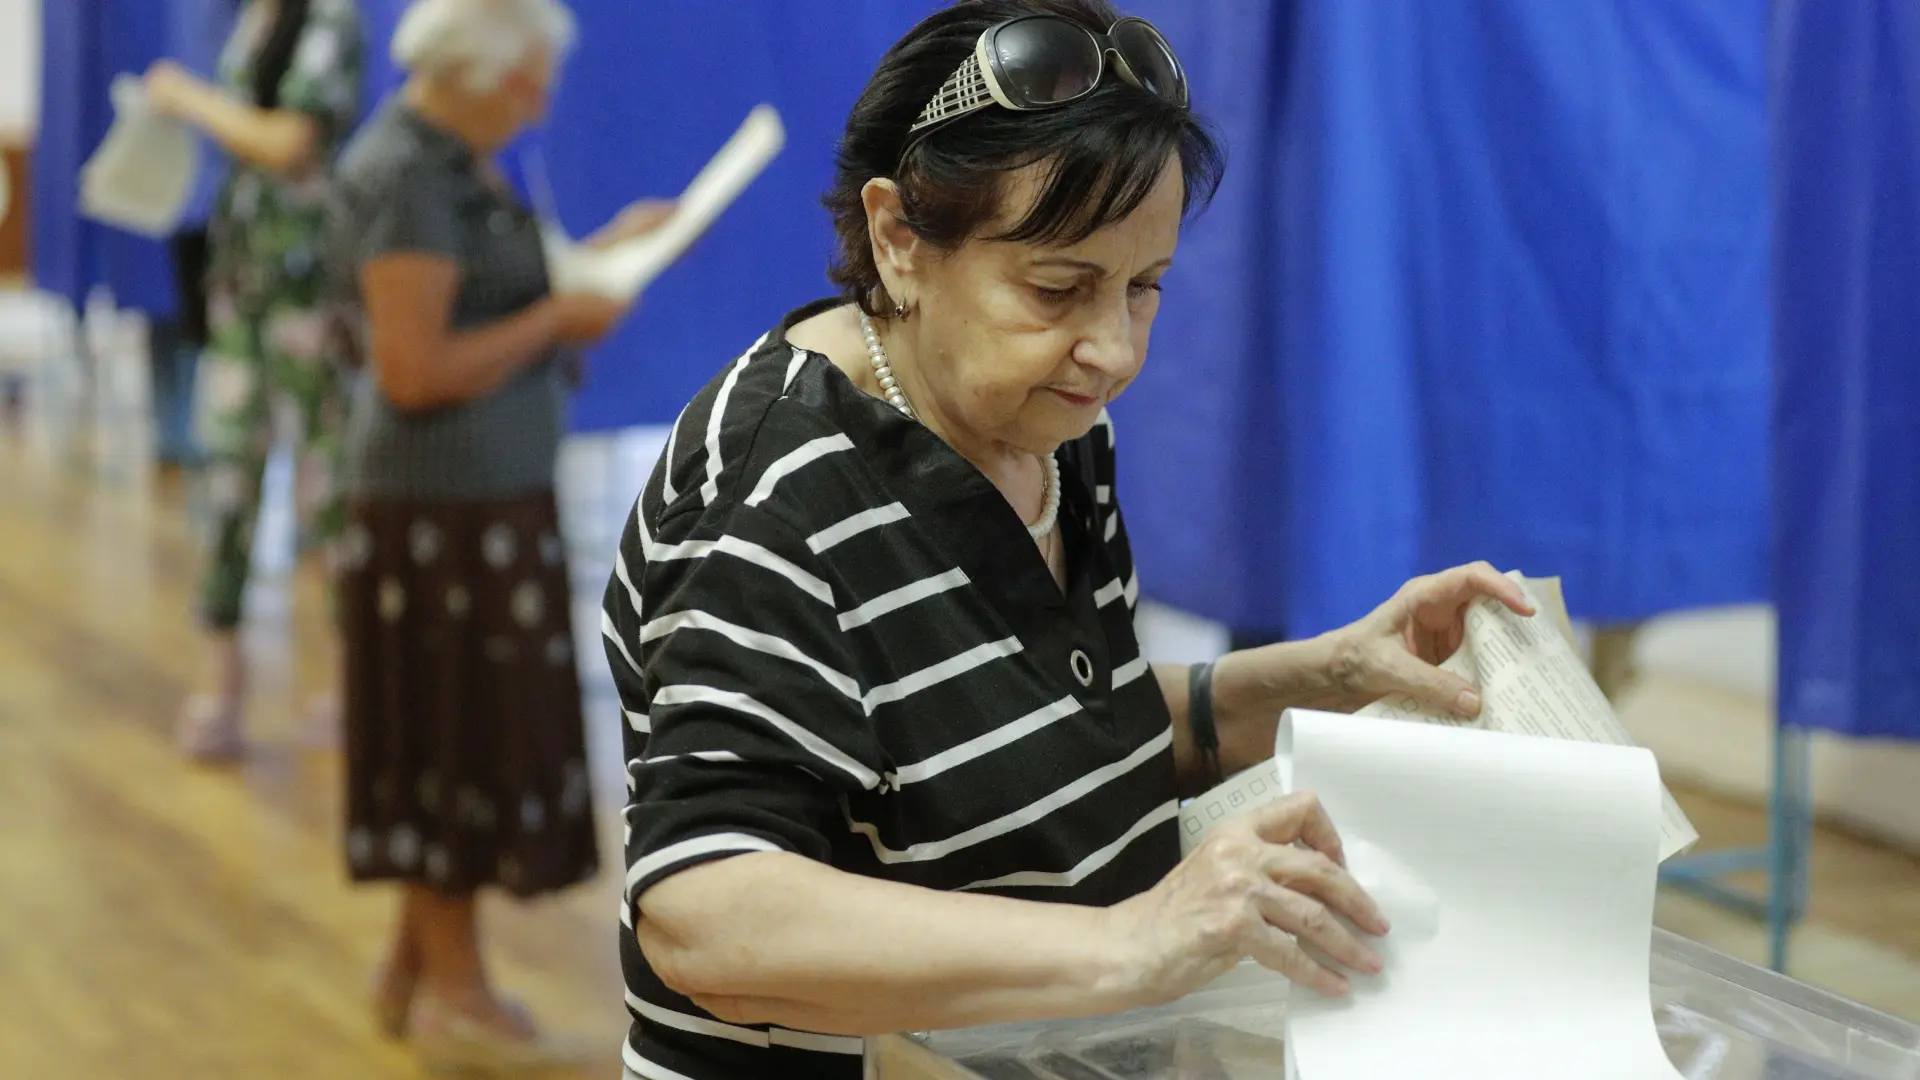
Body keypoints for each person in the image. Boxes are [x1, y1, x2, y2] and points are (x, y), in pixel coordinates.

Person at [603, 2, 1537, 1077]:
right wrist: (1132, 940)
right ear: (900, 237)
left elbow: (1060, 724)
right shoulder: (773, 490)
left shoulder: (1042, 420)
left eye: (1145, 289)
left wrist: (1327, 677)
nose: (1112, 350)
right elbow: (705, 909)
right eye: (1059, 288)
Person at [326, 0, 674, 1067]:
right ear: (482, 75)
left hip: (486, 496)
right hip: (438, 508)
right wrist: (558, 321)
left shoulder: (457, 161)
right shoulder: (406, 175)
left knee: (465, 732)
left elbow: (486, 301)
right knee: (446, 741)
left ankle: (417, 963)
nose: (540, 105)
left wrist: (597, 263)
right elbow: (414, 370)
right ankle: (454, 988)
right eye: (530, 84)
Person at [144, 0, 363, 761]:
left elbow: (289, 143)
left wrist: (189, 99)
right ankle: (221, 683)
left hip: (309, 299)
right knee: (226, 490)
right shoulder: (253, 20)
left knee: (327, 500)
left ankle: (340, 688)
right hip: (241, 294)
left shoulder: (330, 20)